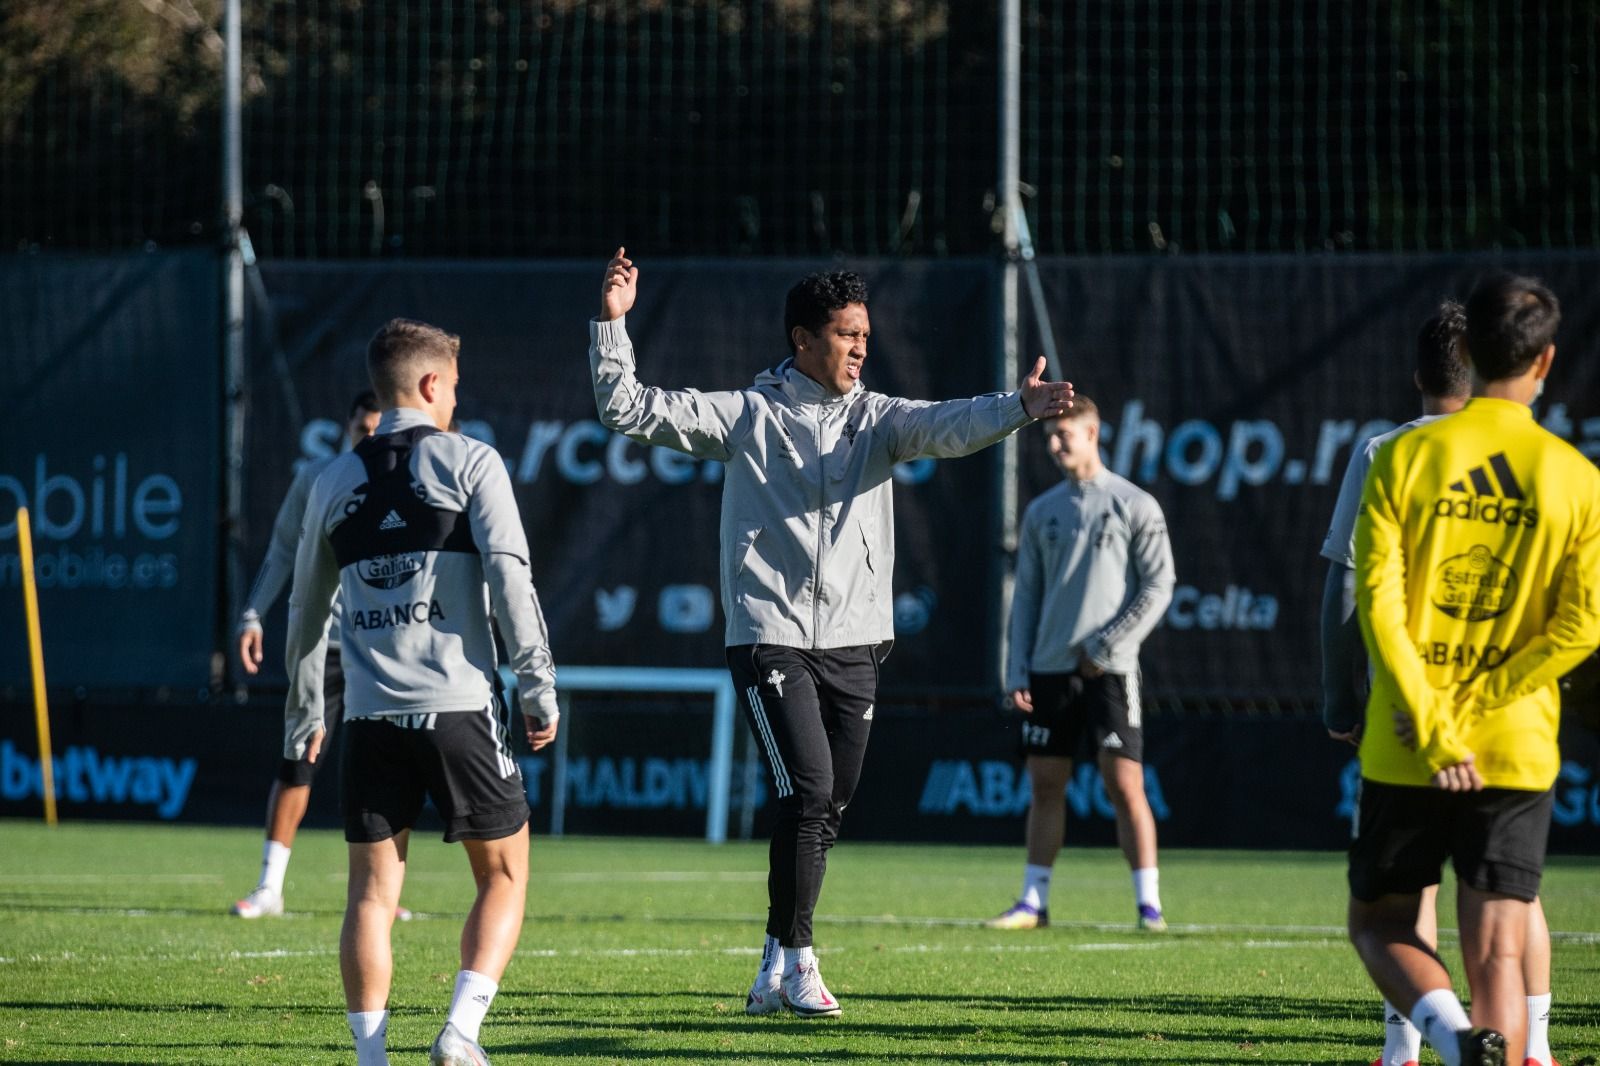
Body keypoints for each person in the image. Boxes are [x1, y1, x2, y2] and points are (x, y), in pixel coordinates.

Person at [588, 247, 1074, 1019]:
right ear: (803, 339)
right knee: (810, 792)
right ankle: (803, 959)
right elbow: (631, 409)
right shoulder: (750, 414)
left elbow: (947, 425)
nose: (859, 349)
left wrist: (1017, 406)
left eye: (865, 338)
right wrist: (613, 326)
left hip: (855, 641)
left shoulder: (877, 419)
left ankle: (774, 963)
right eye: (846, 335)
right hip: (769, 634)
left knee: (825, 804)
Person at [283, 319, 560, 1066]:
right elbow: (511, 581)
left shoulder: (332, 480)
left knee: (371, 897)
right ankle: (459, 1032)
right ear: (432, 385)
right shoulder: (472, 461)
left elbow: (304, 613)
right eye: (454, 386)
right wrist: (538, 687)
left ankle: (371, 1060)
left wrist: (306, 710)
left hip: (370, 719)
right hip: (462, 710)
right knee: (504, 875)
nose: (454, 397)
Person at [1348, 274, 1600, 1066]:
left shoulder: (1404, 453)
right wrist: (1482, 703)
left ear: (1469, 354)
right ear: (1545, 361)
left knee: (1381, 922)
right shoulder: (1575, 476)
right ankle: (1477, 1043)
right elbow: (1580, 627)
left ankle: (1455, 1041)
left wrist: (1433, 715)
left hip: (1408, 739)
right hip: (1514, 743)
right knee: (1497, 955)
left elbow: (1377, 601)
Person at [985, 395, 1175, 932]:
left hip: (1111, 671)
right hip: (1049, 671)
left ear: (1092, 433)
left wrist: (1108, 644)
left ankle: (1149, 906)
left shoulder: (1134, 503)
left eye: (1063, 434)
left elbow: (1161, 585)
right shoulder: (1043, 510)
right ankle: (1032, 902)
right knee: (1045, 784)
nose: (1053, 443)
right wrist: (1017, 669)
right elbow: (1025, 598)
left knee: (1125, 785)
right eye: (1049, 435)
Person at [232, 390, 383, 919]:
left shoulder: (409, 482)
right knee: (299, 758)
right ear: (346, 427)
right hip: (325, 648)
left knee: (388, 770)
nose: (370, 439)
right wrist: (253, 615)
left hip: (387, 651)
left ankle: (386, 893)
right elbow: (280, 553)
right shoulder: (318, 478)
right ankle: (270, 887)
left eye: (378, 430)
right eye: (362, 429)